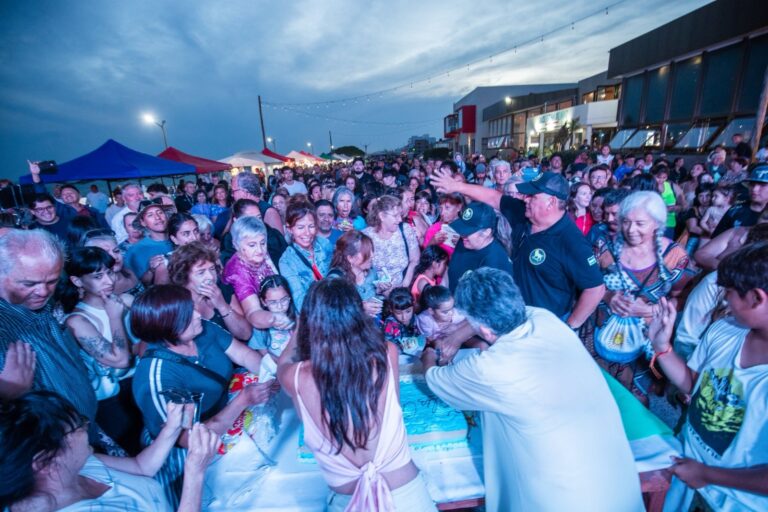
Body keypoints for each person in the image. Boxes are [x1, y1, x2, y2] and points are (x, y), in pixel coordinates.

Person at [422, 268, 644, 512]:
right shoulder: (546, 320)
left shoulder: (490, 369)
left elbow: (435, 380)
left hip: (562, 500)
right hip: (617, 486)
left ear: (482, 328)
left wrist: (430, 354)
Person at [277, 279, 436, 511]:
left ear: (311, 322)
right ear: (357, 314)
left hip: (346, 502)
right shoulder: (386, 353)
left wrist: (301, 326)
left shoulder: (295, 377)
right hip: (408, 497)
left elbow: (283, 361)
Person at [649, 244, 768, 512]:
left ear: (756, 298)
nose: (724, 301)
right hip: (686, 471)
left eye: (729, 293)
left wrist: (708, 474)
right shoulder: (725, 330)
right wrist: (662, 347)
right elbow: (695, 385)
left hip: (735, 502)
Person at [130, 284, 274, 504]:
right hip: (188, 455)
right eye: (188, 315)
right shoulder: (157, 377)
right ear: (167, 328)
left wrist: (273, 375)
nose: (198, 314)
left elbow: (246, 357)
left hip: (224, 419)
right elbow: (189, 439)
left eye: (192, 308)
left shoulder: (203, 329)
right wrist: (243, 400)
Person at [431, 169, 605, 329]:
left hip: (546, 324)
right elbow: (492, 197)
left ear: (551, 202)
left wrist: (568, 326)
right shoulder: (523, 213)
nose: (525, 199)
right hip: (515, 316)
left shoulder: (571, 242)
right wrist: (456, 186)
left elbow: (596, 289)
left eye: (532, 196)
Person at [0, 390, 220, 512]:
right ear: (44, 462)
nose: (87, 428)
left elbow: (141, 467)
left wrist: (173, 426)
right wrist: (195, 472)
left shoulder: (79, 464)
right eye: (78, 426)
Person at [0, 230, 97, 437]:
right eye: (29, 284)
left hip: (85, 434)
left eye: (52, 281)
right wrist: (6, 397)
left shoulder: (41, 305)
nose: (44, 292)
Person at [596, 191, 693, 396]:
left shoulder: (674, 256)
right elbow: (589, 284)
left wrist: (652, 309)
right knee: (599, 390)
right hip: (604, 333)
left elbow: (682, 297)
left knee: (637, 399)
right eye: (626, 222)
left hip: (648, 339)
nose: (631, 230)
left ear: (657, 224)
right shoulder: (604, 247)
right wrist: (608, 296)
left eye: (640, 223)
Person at [168, 242, 253, 341]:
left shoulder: (222, 289)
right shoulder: (176, 304)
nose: (211, 277)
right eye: (201, 272)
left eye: (212, 269)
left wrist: (222, 305)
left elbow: (245, 334)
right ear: (184, 277)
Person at [222, 216, 293, 331]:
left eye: (263, 243)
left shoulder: (259, 255)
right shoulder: (238, 272)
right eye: (252, 245)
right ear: (236, 245)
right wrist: (274, 318)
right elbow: (252, 312)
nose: (260, 250)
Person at [445, 201, 513, 294]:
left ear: (487, 232)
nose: (462, 235)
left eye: (468, 231)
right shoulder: (465, 242)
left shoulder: (496, 262)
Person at [279, 200, 333, 309]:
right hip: (314, 315)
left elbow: (337, 273)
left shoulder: (324, 244)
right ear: (289, 229)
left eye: (311, 226)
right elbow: (300, 302)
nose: (307, 233)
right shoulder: (286, 261)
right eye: (300, 227)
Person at [328, 230, 388, 317]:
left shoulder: (371, 272)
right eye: (366, 252)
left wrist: (380, 289)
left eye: (371, 250)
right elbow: (331, 313)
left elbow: (374, 296)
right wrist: (360, 309)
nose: (372, 255)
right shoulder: (335, 280)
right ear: (350, 258)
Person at [364, 195, 420, 289]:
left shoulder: (405, 230)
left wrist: (405, 284)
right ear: (382, 216)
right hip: (375, 293)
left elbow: (415, 260)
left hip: (401, 292)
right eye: (395, 216)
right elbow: (361, 270)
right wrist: (377, 286)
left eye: (400, 215)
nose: (400, 219)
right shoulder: (366, 236)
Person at [248, 274, 297, 363]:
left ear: (290, 297)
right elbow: (265, 355)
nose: (280, 306)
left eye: (284, 300)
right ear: (263, 302)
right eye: (273, 302)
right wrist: (285, 365)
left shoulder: (298, 318)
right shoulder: (260, 327)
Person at [81, 228, 143, 296]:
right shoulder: (96, 290)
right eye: (105, 254)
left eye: (116, 251)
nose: (114, 257)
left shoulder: (129, 269)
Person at [124, 200, 173, 285]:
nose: (157, 217)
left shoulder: (180, 239)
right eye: (150, 215)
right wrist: (151, 271)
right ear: (143, 222)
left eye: (160, 212)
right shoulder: (135, 251)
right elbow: (137, 285)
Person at [712, 164, 768, 237]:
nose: (754, 189)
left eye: (762, 185)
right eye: (752, 184)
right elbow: (716, 239)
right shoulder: (734, 211)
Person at [382, 287, 422, 355]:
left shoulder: (415, 318)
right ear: (391, 310)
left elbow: (419, 337)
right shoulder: (390, 324)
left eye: (408, 311)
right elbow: (388, 345)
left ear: (413, 306)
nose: (404, 317)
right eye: (398, 313)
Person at [422, 192, 463, 256]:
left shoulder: (467, 228)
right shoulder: (434, 229)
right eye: (441, 208)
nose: (442, 213)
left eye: (447, 208)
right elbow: (424, 257)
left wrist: (461, 244)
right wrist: (432, 243)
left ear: (459, 207)